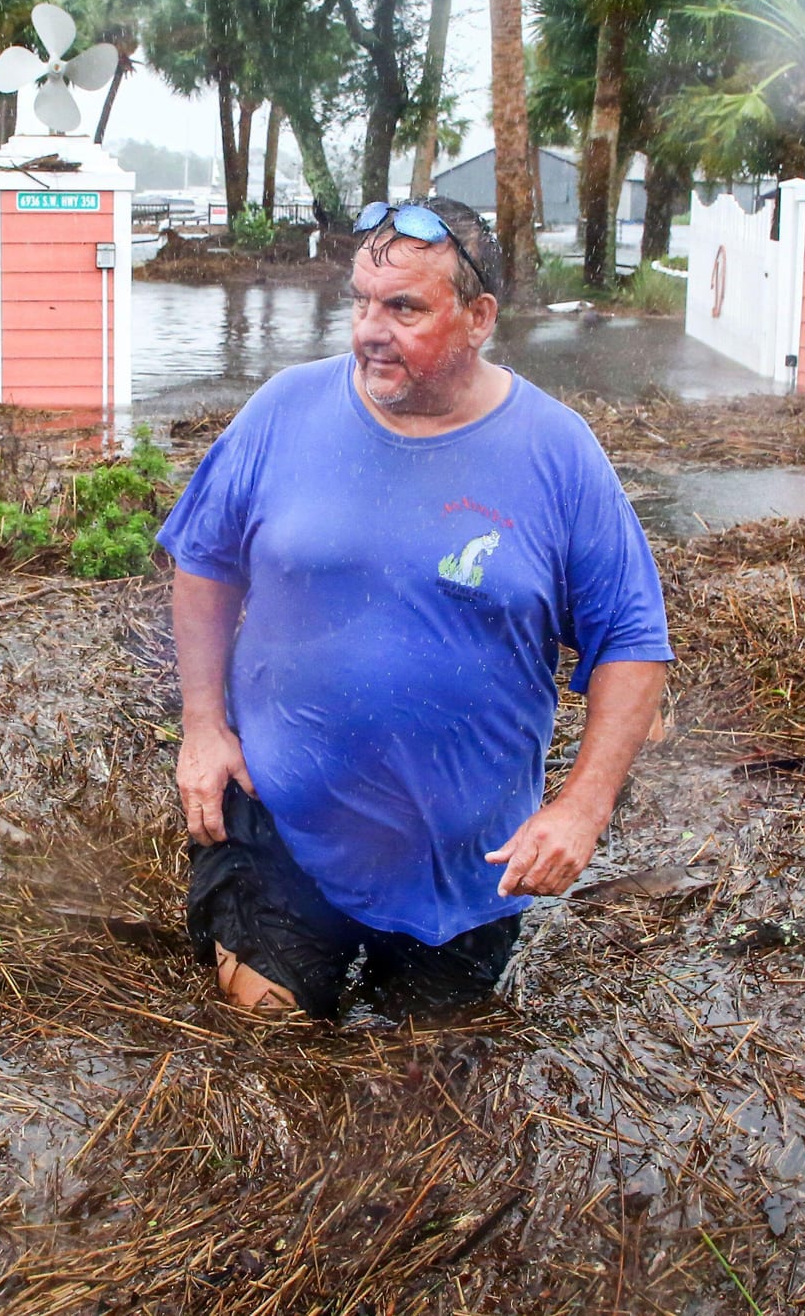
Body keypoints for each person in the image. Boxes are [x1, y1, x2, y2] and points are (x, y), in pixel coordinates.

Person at [156, 196, 671, 1020]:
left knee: (425, 1072)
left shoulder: (557, 451)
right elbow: (205, 559)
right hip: (286, 830)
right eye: (360, 301)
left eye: (403, 308)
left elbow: (633, 640)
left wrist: (582, 805)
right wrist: (202, 724)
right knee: (267, 1029)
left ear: (478, 317)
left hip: (467, 864)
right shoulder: (285, 411)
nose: (368, 328)